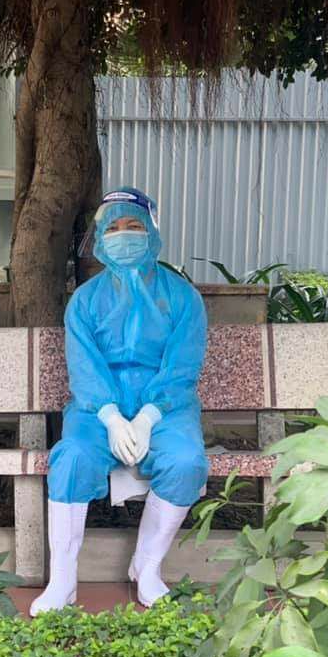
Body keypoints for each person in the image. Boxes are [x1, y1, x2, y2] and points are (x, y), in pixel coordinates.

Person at [29, 187, 208, 616]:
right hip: (96, 411)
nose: (123, 236)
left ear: (152, 232)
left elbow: (182, 366)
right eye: (113, 228)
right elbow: (84, 366)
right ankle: (63, 581)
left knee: (185, 462)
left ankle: (147, 569)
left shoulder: (182, 297)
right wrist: (110, 416)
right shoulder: (86, 300)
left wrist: (148, 417)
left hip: (165, 411)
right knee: (70, 458)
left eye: (134, 227)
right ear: (100, 238)